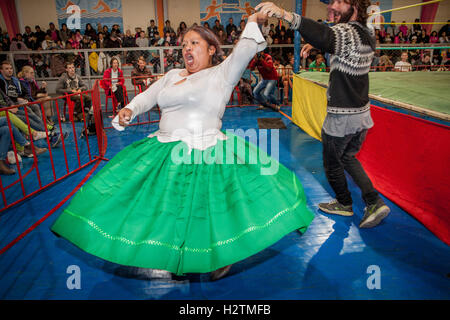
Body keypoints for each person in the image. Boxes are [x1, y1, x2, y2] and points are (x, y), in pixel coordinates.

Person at [51, 11, 314, 281]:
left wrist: (254, 20)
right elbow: (147, 96)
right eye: (184, 44)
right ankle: (176, 252)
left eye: (194, 43)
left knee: (207, 209)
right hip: (165, 149)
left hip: (207, 149)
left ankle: (217, 255)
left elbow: (245, 49)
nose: (187, 48)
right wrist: (129, 109)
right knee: (167, 206)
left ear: (212, 49)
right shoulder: (172, 74)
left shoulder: (221, 74)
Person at [256, 0, 390, 228]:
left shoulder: (345, 31)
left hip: (342, 115)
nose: (331, 8)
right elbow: (338, 43)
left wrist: (285, 15)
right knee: (347, 157)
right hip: (362, 114)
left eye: (338, 2)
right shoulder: (367, 33)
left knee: (331, 163)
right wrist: (316, 46)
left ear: (354, 5)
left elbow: (327, 36)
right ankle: (373, 200)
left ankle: (345, 204)